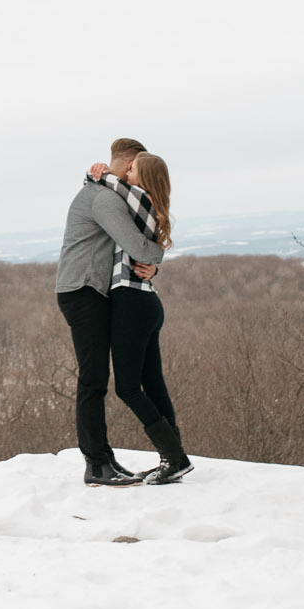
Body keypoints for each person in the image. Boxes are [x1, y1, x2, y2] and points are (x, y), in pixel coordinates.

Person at [55, 137, 168, 487]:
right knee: (93, 379)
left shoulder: (106, 190)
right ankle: (96, 463)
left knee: (99, 379)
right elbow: (136, 246)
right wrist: (159, 257)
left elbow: (127, 251)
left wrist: (153, 269)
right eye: (137, 166)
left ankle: (104, 459)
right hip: (82, 290)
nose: (139, 173)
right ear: (129, 163)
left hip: (93, 290)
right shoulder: (104, 199)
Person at [89, 153, 190, 485]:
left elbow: (110, 183)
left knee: (128, 388)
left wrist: (98, 174)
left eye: (132, 168)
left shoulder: (139, 197)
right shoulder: (148, 206)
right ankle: (173, 459)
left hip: (132, 302)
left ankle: (175, 457)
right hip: (144, 301)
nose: (125, 170)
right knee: (154, 384)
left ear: (144, 176)